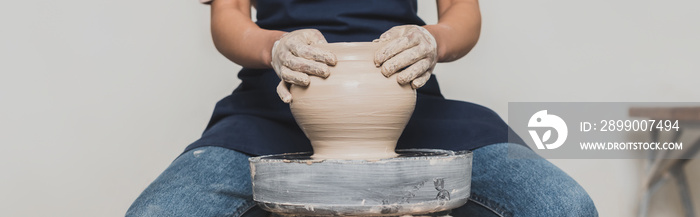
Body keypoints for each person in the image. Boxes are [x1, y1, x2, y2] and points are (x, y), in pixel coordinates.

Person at [126, 0, 598, 216]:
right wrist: (274, 47)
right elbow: (227, 16)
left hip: (404, 97)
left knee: (565, 207)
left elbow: (463, 13)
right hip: (272, 103)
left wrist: (432, 40)